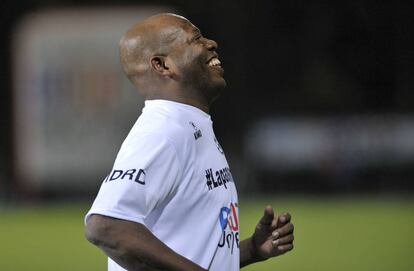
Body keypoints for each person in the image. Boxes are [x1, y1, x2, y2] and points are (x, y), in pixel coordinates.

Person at [84, 13, 294, 271]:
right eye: (195, 38)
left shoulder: (189, 125)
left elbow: (185, 247)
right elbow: (106, 225)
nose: (211, 43)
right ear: (162, 65)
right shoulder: (162, 131)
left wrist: (249, 250)